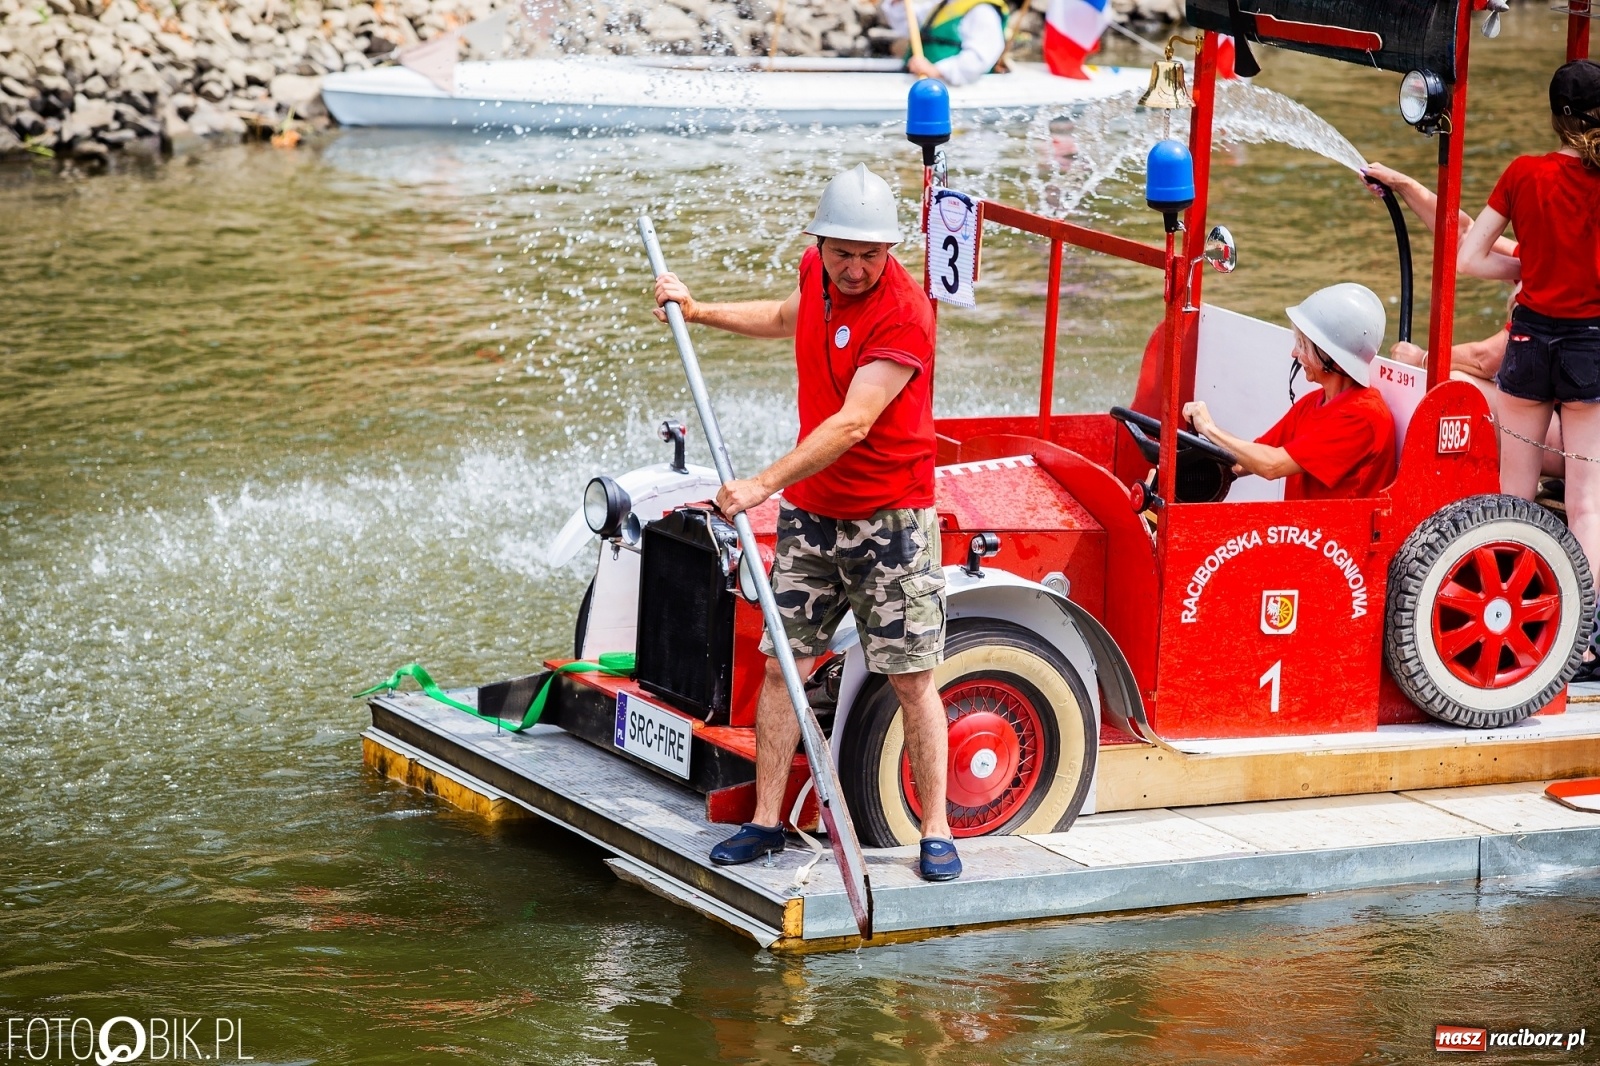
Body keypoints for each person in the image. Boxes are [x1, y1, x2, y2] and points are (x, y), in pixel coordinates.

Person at [652, 164, 961, 882]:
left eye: (869, 255)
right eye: (841, 252)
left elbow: (854, 422)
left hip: (892, 522)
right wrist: (698, 311)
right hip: (813, 517)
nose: (853, 269)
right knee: (781, 667)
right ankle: (765, 823)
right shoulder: (814, 274)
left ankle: (936, 831)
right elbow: (787, 317)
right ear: (818, 243)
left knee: (913, 679)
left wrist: (761, 484)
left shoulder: (906, 313)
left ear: (891, 252)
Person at [1458, 59, 1600, 678]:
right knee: (1587, 507)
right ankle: (1587, 642)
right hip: (1590, 347)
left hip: (1529, 338)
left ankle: (1516, 627)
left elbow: (1470, 257)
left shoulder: (1523, 173)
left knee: (1512, 497)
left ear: (1555, 115)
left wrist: (1527, 270)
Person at [1359, 163, 1565, 478]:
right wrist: (1402, 184)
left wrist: (1423, 358)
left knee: (1453, 383)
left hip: (1574, 438)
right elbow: (1464, 234)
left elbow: (1488, 360)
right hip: (1561, 416)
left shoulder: (1564, 272)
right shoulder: (1548, 255)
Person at [1182, 283, 1397, 500]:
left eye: (1303, 345)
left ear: (1331, 357)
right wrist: (1196, 439)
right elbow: (1243, 461)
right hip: (1301, 531)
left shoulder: (1364, 417)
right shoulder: (1313, 403)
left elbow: (1271, 466)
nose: (1294, 353)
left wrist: (1209, 430)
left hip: (1334, 534)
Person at [882, 0, 1009, 86]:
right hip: (921, 80)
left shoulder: (983, 11)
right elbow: (907, 25)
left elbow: (979, 58)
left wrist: (937, 71)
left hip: (950, 85)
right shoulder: (943, 3)